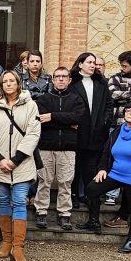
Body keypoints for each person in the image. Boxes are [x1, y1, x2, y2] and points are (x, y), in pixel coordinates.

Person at [81, 102, 131, 254]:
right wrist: (102, 169)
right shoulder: (117, 130)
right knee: (91, 189)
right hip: (114, 173)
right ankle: (94, 221)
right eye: (128, 110)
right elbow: (106, 152)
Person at [0, 70, 40, 261]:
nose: (8, 84)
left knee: (19, 201)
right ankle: (6, 241)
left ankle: (18, 248)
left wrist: (16, 159)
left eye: (12, 81)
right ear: (1, 85)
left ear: (18, 84)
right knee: (2, 200)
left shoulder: (31, 106)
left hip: (22, 164)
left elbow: (34, 134)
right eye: (5, 81)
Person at [34, 66, 86, 231]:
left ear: (70, 80)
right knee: (44, 181)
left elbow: (78, 117)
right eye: (58, 76)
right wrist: (67, 122)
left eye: (64, 76)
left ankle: (64, 214)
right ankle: (41, 211)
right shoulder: (43, 100)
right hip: (46, 146)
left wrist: (53, 116)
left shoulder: (76, 100)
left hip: (68, 148)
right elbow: (41, 119)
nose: (61, 79)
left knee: (65, 182)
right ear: (53, 79)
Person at [70, 52, 114, 208]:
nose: (93, 65)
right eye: (89, 62)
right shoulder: (71, 82)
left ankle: (89, 196)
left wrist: (105, 121)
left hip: (97, 132)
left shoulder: (101, 82)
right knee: (74, 167)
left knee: (91, 167)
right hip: (77, 132)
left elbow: (109, 105)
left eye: (94, 63)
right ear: (80, 64)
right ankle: (73, 196)